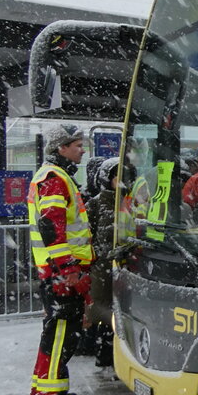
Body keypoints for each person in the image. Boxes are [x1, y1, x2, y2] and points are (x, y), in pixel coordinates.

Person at [27, 124, 93, 395]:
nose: (83, 150)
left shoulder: (53, 175)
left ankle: (44, 389)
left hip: (54, 270)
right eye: (77, 145)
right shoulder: (55, 178)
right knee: (61, 334)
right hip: (61, 273)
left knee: (56, 333)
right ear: (61, 147)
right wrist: (69, 269)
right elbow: (51, 227)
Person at [85, 157, 121, 368]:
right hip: (103, 267)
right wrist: (96, 258)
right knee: (104, 311)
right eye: (117, 177)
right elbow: (86, 235)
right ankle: (104, 354)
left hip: (124, 266)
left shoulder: (129, 202)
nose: (121, 181)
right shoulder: (96, 204)